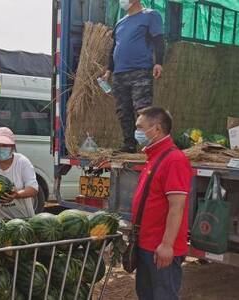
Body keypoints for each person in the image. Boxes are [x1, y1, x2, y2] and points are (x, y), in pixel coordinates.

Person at [131, 107, 191, 300]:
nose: (137, 132)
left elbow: (177, 207)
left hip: (160, 249)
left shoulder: (174, 159)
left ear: (156, 129)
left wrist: (167, 245)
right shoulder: (154, 156)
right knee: (146, 294)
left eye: (140, 127)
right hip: (146, 244)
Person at [102, 0, 165, 153]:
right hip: (119, 74)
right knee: (123, 110)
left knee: (143, 110)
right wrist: (109, 70)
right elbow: (114, 49)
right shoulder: (120, 23)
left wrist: (159, 63)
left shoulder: (150, 15)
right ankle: (129, 144)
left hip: (140, 71)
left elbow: (159, 41)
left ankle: (150, 145)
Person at [0, 127, 39, 220]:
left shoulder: (22, 162)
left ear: (12, 147)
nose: (0, 148)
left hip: (23, 219)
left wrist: (17, 195)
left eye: (4, 145)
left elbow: (33, 188)